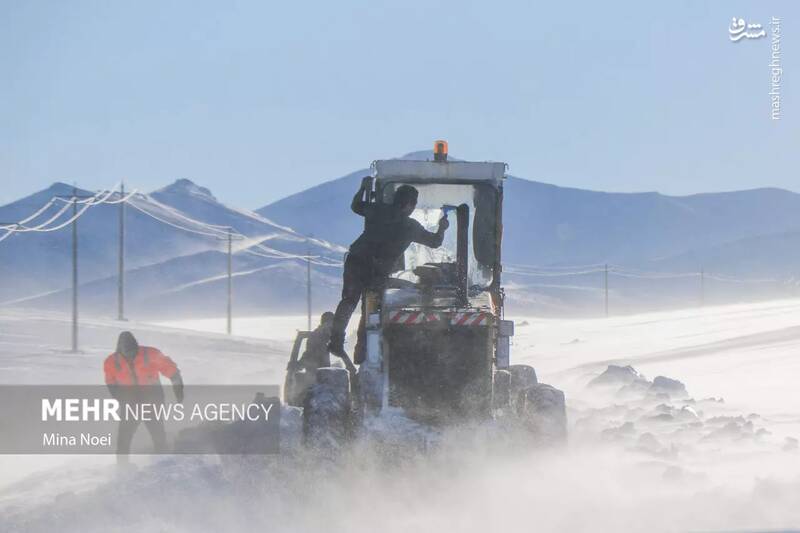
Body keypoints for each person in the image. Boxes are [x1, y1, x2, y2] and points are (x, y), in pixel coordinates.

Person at [328, 178, 449, 360]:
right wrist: (442, 227)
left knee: (348, 301)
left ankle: (336, 341)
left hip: (356, 262)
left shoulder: (377, 210)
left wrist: (363, 188)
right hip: (377, 271)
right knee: (370, 309)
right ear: (409, 204)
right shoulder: (410, 227)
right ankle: (362, 351)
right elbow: (435, 242)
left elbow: (355, 206)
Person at [103, 331, 183, 461]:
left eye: (133, 352)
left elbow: (170, 369)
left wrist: (178, 387)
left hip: (152, 396)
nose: (131, 356)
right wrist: (119, 397)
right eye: (127, 354)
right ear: (120, 350)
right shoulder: (111, 361)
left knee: (156, 429)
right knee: (124, 435)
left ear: (136, 346)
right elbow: (110, 382)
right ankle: (122, 464)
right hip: (130, 399)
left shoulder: (150, 354)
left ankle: (162, 458)